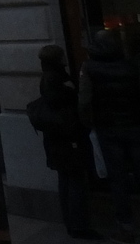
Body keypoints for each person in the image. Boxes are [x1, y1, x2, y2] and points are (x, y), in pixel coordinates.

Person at [29, 44, 97, 239]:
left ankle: (71, 222)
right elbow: (68, 105)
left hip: (56, 138)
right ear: (58, 59)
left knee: (66, 179)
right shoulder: (59, 79)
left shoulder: (48, 77)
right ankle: (79, 225)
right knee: (75, 180)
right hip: (68, 137)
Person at [80, 28, 140, 239]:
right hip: (134, 125)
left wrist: (90, 123)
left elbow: (84, 101)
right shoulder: (131, 65)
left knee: (118, 178)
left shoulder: (90, 68)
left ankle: (126, 225)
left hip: (108, 128)